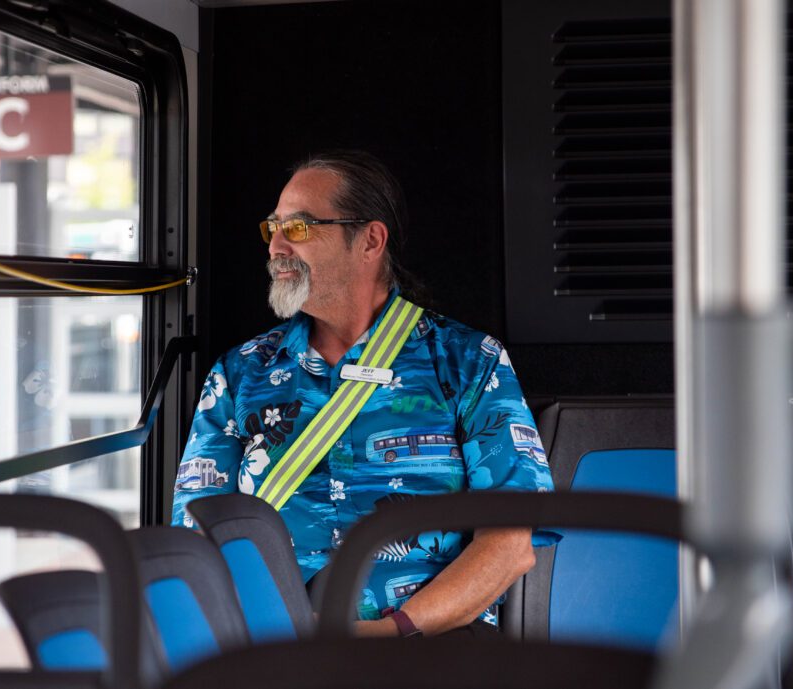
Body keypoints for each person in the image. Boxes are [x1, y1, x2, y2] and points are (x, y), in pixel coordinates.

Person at [171, 150, 554, 637]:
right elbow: (196, 535)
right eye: (274, 228)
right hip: (275, 650)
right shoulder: (238, 374)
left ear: (370, 240)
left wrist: (390, 634)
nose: (277, 247)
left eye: (300, 228)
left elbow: (510, 541)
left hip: (430, 645)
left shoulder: (468, 362)